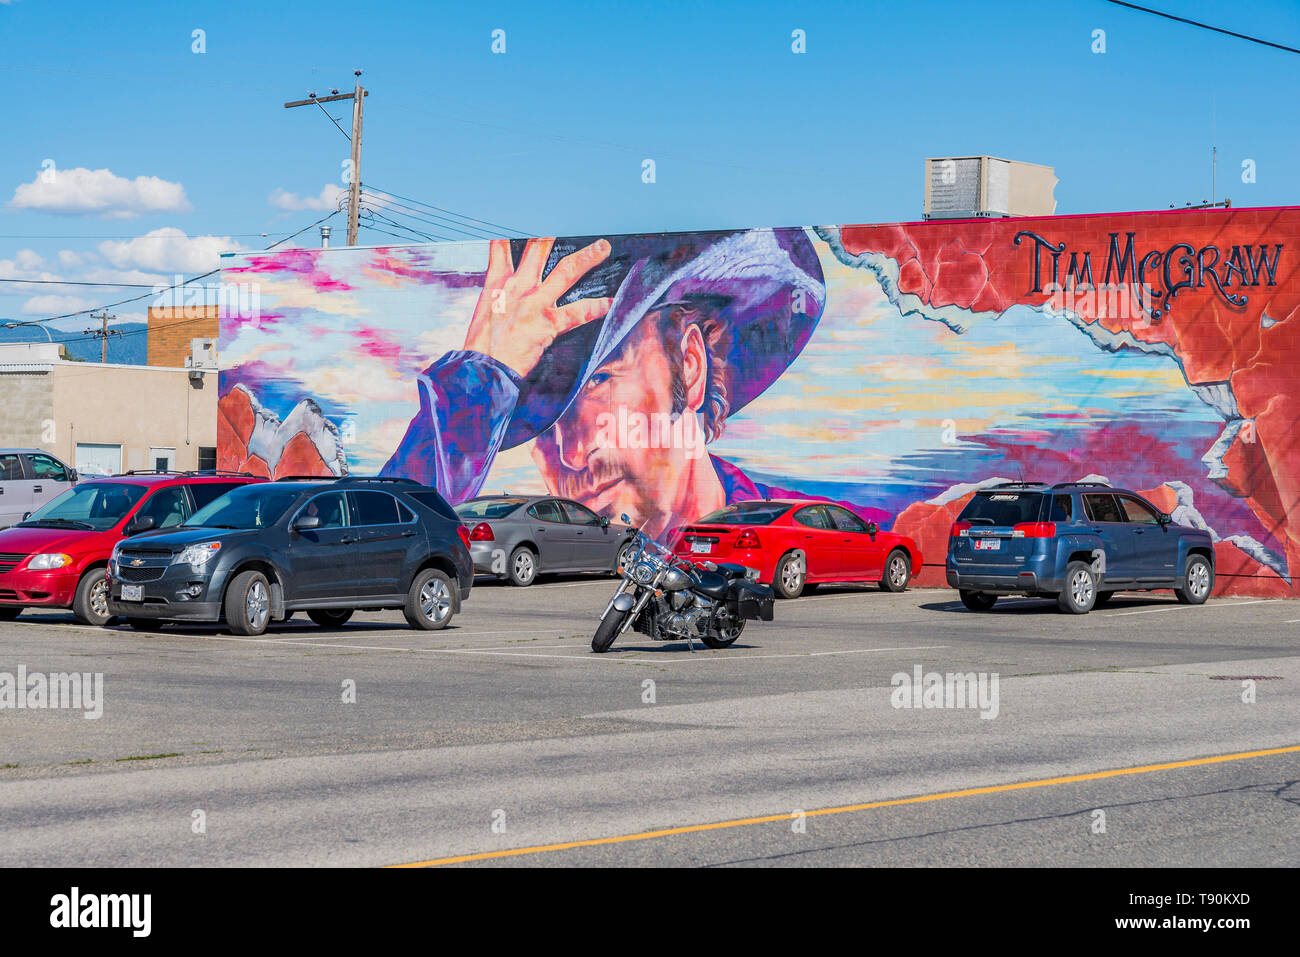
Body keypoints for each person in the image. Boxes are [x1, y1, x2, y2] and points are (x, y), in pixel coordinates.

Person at [382, 228, 890, 539]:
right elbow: (384, 534)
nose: (572, 454)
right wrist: (479, 382)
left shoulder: (815, 529)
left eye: (601, 379)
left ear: (689, 364)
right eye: (542, 416)